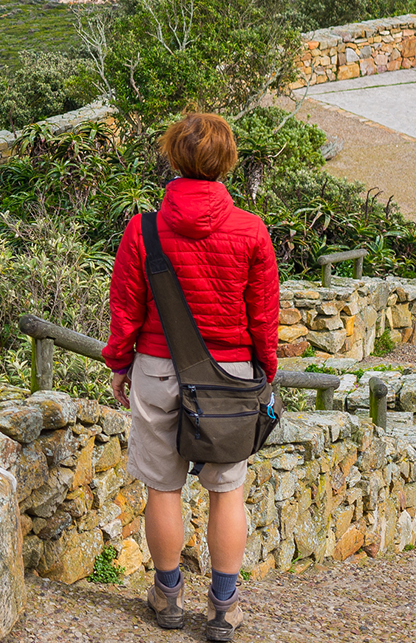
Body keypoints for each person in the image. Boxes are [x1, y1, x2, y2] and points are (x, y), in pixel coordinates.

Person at [102, 111, 280, 642]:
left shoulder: (143, 229)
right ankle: (224, 609)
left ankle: (168, 596)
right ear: (227, 162)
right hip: (229, 376)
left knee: (164, 485)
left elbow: (125, 309)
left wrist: (119, 363)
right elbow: (263, 315)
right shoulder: (250, 230)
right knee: (227, 490)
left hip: (157, 369)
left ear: (173, 157)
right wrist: (264, 373)